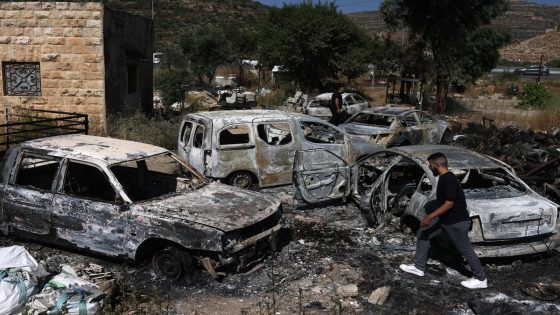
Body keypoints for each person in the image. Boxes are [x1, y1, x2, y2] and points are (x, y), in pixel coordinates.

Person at [399, 152, 487, 289]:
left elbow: (449, 203)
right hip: (445, 219)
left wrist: (429, 217)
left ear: (436, 165)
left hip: (456, 222)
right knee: (423, 233)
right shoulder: (444, 178)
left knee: (466, 250)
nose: (429, 168)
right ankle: (419, 267)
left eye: (430, 165)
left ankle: (481, 279)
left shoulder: (448, 179)